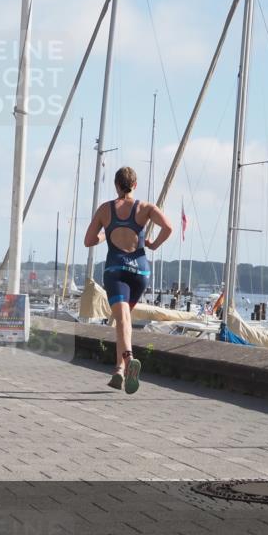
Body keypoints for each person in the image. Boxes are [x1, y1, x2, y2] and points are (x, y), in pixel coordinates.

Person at [84, 166, 172, 394]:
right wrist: (153, 244)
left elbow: (88, 240)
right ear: (135, 185)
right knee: (125, 321)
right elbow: (169, 227)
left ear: (116, 185)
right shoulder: (145, 208)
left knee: (122, 319)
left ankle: (129, 358)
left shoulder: (106, 209)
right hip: (140, 273)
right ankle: (119, 370)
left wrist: (105, 234)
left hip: (116, 270)